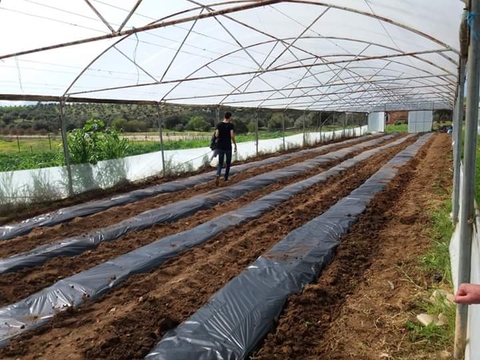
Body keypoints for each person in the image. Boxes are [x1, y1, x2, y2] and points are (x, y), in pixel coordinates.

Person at [214, 111, 237, 185]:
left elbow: (217, 135)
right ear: (229, 117)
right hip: (228, 146)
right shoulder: (230, 125)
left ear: (224, 117)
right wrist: (235, 144)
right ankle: (226, 178)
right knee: (228, 162)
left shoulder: (219, 125)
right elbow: (232, 136)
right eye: (231, 117)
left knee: (220, 163)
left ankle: (218, 173)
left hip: (220, 146)